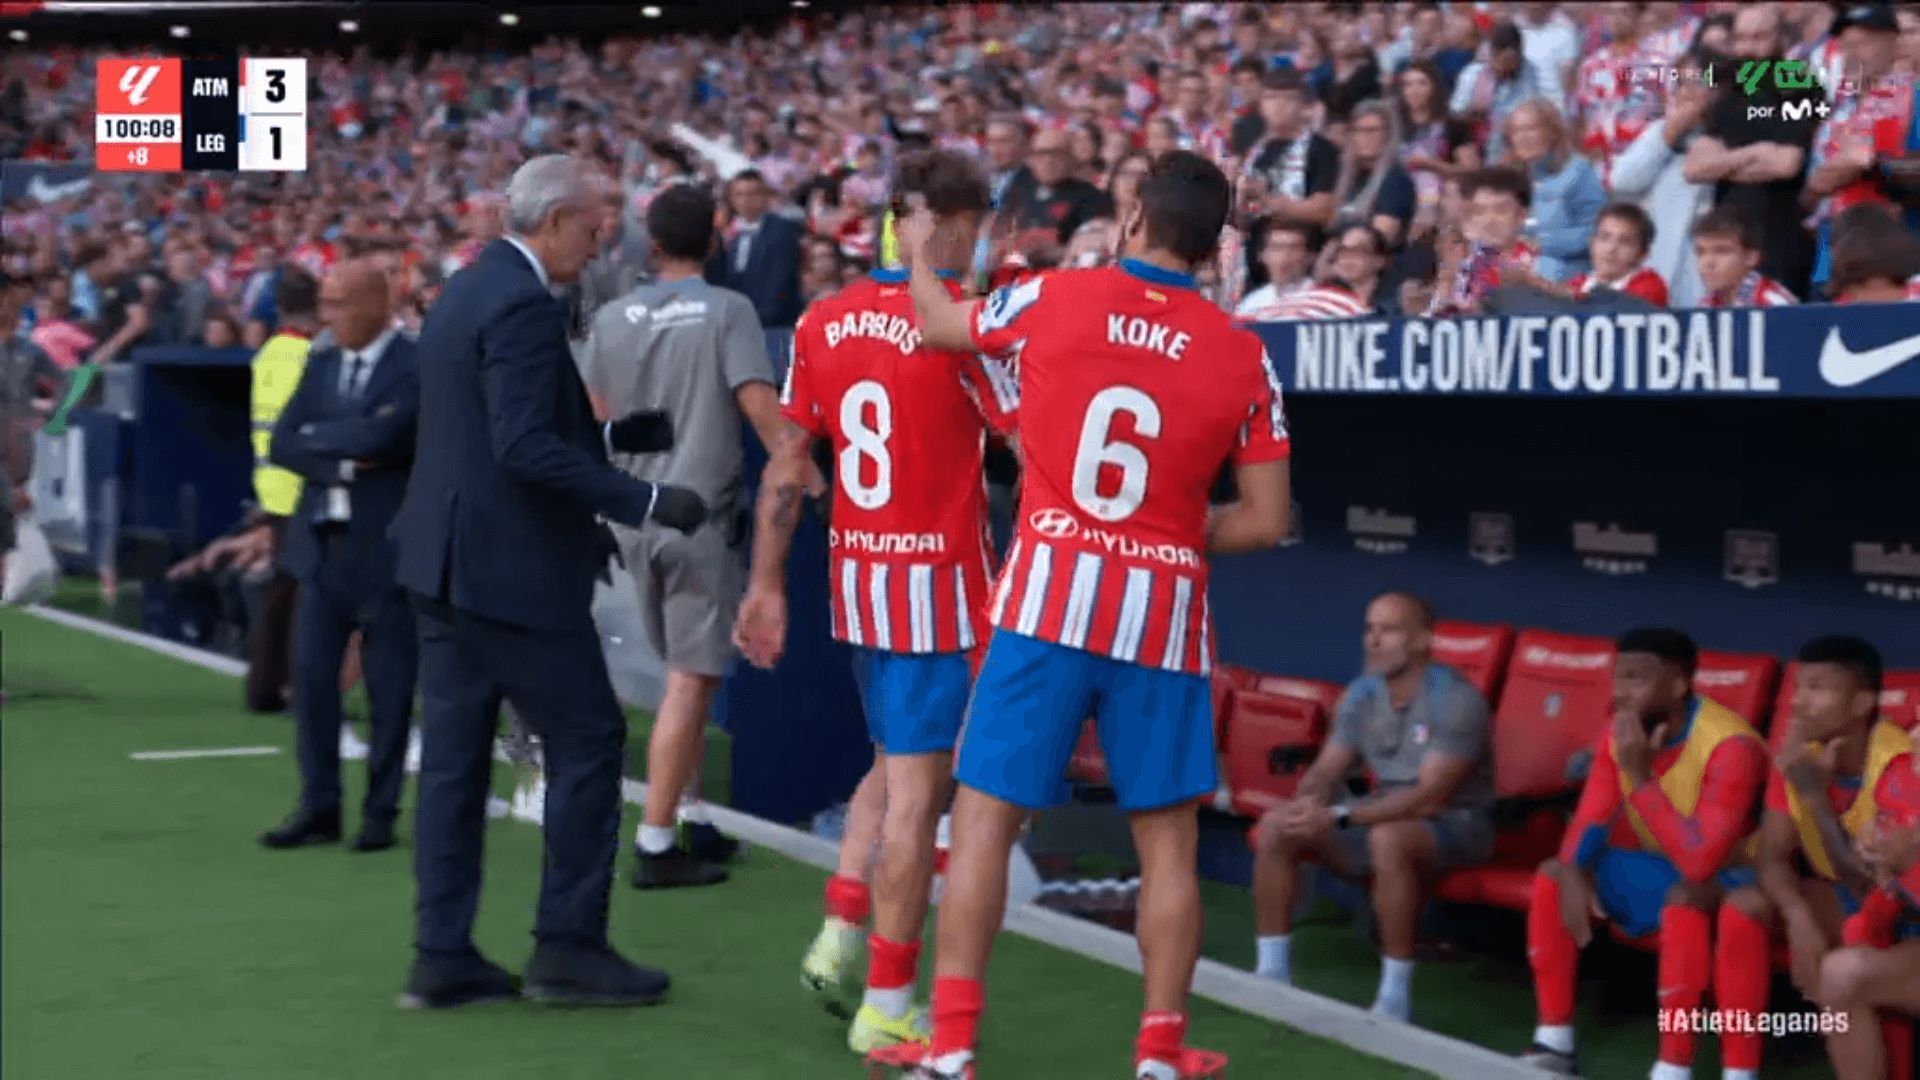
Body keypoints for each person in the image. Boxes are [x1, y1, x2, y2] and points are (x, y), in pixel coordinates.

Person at [898, 150, 1293, 1080]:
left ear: (1131, 224)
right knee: (1168, 845)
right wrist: (1164, 537)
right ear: (1211, 248)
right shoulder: (1243, 353)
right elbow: (1268, 520)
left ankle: (951, 1049)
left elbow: (938, 323)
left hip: (1045, 603)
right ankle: (1159, 1054)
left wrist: (922, 251)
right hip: (1161, 620)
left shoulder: (1054, 297)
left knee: (986, 820)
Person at [390, 155, 706, 1011]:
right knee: (590, 737)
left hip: (442, 563)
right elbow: (521, 447)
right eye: (596, 222)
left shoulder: (463, 288)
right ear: (557, 219)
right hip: (512, 573)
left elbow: (494, 428)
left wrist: (604, 437)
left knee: (455, 765)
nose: (604, 238)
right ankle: (568, 947)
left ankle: (441, 952)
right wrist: (647, 497)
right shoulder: (524, 303)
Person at [735, 150, 1010, 1056]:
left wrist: (768, 581)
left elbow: (788, 465)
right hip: (941, 594)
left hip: (861, 586)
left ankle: (842, 927)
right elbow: (1031, 438)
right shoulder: (960, 328)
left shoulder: (823, 319)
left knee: (895, 771)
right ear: (956, 228)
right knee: (917, 799)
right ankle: (889, 1000)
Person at [580, 181, 793, 888]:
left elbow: (594, 417)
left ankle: (693, 815)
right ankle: (656, 840)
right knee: (690, 679)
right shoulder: (728, 310)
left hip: (630, 515)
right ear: (712, 240)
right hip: (697, 513)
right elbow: (761, 408)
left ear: (653, 243)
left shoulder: (611, 316)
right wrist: (809, 474)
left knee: (682, 675)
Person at [1519, 629, 1768, 1079]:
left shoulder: (1732, 745)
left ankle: (1674, 1066)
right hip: (1658, 868)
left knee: (1684, 899)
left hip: (1732, 880)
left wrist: (1638, 774)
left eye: (1636, 679)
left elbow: (1700, 864)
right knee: (1552, 876)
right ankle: (1553, 1041)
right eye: (1618, 677)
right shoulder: (1619, 730)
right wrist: (1573, 870)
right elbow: (1593, 815)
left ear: (1677, 684)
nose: (1620, 692)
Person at [1249, 592, 1494, 1021]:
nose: (1374, 640)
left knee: (1387, 840)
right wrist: (1309, 801)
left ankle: (1394, 996)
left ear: (1422, 641)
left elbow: (1428, 797)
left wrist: (1341, 815)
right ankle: (1271, 972)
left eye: (1390, 630)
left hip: (1457, 825)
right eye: (1370, 628)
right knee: (1276, 825)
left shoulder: (1455, 699)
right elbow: (1327, 769)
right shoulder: (1363, 694)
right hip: (1379, 812)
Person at [258, 259, 420, 853]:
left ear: (377, 303)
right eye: (324, 303)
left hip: (386, 551)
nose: (327, 316)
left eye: (339, 304)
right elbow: (281, 442)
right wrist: (345, 457)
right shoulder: (320, 362)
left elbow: (389, 436)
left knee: (390, 690)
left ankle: (380, 811)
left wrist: (322, 440)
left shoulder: (412, 365)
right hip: (322, 548)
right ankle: (319, 805)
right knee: (313, 684)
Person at [1719, 635, 1920, 1080]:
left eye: (1818, 688)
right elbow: (1771, 857)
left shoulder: (1900, 762)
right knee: (1746, 908)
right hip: (1863, 903)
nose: (1799, 702)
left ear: (1862, 703)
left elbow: (1877, 886)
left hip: (1896, 911)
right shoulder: (1797, 755)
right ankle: (1738, 1070)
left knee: (1847, 964)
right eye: (1798, 687)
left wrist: (1814, 797)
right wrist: (1798, 917)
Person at [1684, 4, 1822, 296]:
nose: (1748, 48)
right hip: (1728, 238)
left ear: (1780, 38)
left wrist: (1724, 162)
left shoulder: (1796, 81)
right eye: (1742, 38)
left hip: (1780, 236)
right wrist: (1755, 152)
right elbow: (1695, 168)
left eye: (1759, 37)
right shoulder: (1727, 94)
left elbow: (1786, 162)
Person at [244, 267, 318, 714]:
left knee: (281, 593)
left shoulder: (269, 352)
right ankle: (290, 686)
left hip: (271, 483)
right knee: (304, 596)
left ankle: (267, 685)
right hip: (302, 484)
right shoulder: (307, 356)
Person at [1502, 99, 1605, 283]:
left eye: (1531, 129)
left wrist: (1542, 244)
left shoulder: (1578, 171)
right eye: (1516, 131)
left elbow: (1595, 232)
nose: (1523, 137)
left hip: (1564, 273)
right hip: (1516, 265)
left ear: (1552, 132)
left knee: (1546, 268)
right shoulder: (1506, 176)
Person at [707, 169, 804, 330]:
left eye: (752, 194)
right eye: (739, 194)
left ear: (764, 196)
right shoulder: (726, 232)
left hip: (772, 324)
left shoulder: (780, 230)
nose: (745, 200)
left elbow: (779, 280)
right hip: (734, 320)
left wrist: (757, 318)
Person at [1692, 207, 1799, 308]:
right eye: (1701, 252)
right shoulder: (1707, 304)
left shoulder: (1773, 304)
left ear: (1751, 257)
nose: (1708, 262)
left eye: (1722, 251)